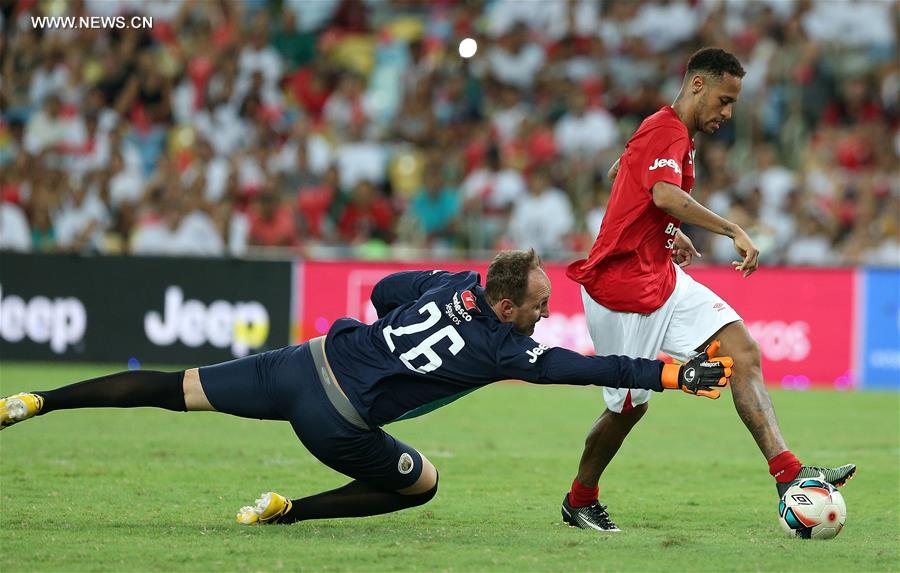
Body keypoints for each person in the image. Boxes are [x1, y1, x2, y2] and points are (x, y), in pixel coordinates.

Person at [0, 250, 733, 525]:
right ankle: (286, 512)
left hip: (296, 362)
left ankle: (37, 401)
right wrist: (670, 371)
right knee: (424, 485)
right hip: (334, 420)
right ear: (508, 307)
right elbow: (593, 368)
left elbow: (384, 289)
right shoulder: (505, 348)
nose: (548, 312)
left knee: (171, 386)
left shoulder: (455, 281)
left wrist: (384, 331)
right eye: (540, 304)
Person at [561, 48, 856, 532]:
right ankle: (579, 498)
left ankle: (789, 474)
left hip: (660, 276)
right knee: (627, 410)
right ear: (697, 85)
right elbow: (659, 192)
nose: (728, 113)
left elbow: (623, 175)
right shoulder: (665, 129)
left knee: (742, 351)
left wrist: (662, 232)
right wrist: (731, 228)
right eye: (724, 100)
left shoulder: (669, 133)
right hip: (621, 291)